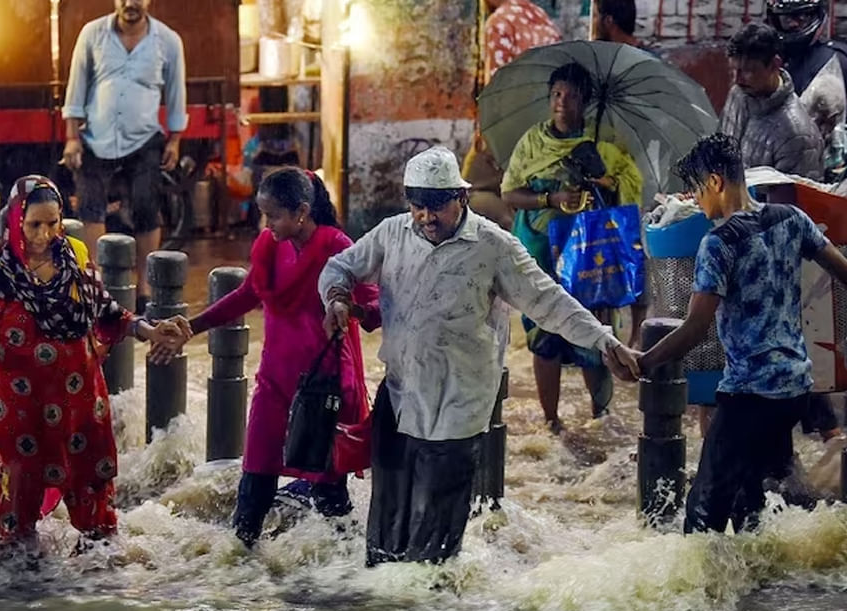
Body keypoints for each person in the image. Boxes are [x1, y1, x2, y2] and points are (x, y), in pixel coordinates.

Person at [318, 147, 640, 565]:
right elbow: (338, 268)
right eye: (418, 209)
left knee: (436, 536)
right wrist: (338, 299)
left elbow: (548, 301)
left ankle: (432, 609)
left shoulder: (493, 246)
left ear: (462, 198)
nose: (427, 219)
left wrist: (605, 341)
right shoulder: (391, 234)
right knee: (386, 525)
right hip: (400, 396)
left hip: (459, 404)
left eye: (437, 209)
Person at [0, 176, 189, 554]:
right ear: (15, 220)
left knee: (98, 523)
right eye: (35, 224)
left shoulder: (77, 256)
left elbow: (108, 311)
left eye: (53, 223)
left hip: (79, 405)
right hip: (19, 411)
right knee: (15, 529)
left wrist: (150, 330)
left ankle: (97, 593)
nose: (45, 233)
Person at [631, 134, 847, 533]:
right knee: (757, 502)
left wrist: (644, 362)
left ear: (715, 182)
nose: (697, 201)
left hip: (748, 393)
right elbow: (843, 272)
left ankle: (704, 593)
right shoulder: (791, 219)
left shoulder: (718, 243)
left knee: (702, 516)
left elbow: (696, 328)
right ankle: (764, 589)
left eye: (697, 190)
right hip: (795, 388)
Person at [156, 168, 379, 547]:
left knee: (329, 496)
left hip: (322, 389)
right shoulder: (268, 246)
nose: (267, 223)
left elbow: (375, 306)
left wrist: (347, 308)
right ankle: (239, 567)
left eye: (273, 215)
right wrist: (192, 327)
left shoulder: (337, 247)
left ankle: (344, 578)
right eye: (264, 214)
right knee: (255, 476)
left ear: (302, 212)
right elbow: (247, 296)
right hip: (274, 381)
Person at [500, 62, 644, 432]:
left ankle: (602, 418)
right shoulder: (533, 142)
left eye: (571, 95)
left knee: (595, 337)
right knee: (544, 335)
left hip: (588, 256)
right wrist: (552, 198)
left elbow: (627, 195)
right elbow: (510, 192)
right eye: (556, 95)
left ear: (586, 102)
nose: (561, 102)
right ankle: (551, 422)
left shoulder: (605, 144)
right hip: (541, 251)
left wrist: (603, 180)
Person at [62, 0, 187, 308]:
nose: (131, 2)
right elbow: (75, 88)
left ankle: (144, 289)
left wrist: (174, 141)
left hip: (144, 138)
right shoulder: (92, 34)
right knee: (90, 206)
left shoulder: (168, 41)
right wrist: (71, 138)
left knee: (146, 205)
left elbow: (176, 93)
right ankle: (96, 286)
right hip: (95, 137)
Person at [464, 0, 562, 232]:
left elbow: (498, 88)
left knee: (466, 193)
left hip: (510, 126)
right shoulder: (542, 18)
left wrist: (487, 131)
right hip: (545, 130)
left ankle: (508, 237)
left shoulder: (501, 22)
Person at [720, 23, 824, 179]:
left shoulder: (798, 136)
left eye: (748, 71)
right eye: (733, 70)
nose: (737, 80)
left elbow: (794, 201)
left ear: (775, 64)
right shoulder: (739, 94)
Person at [765, 0, 847, 180]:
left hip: (830, 175)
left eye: (801, 17)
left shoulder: (837, 61)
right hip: (776, 172)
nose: (794, 24)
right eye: (787, 18)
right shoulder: (768, 61)